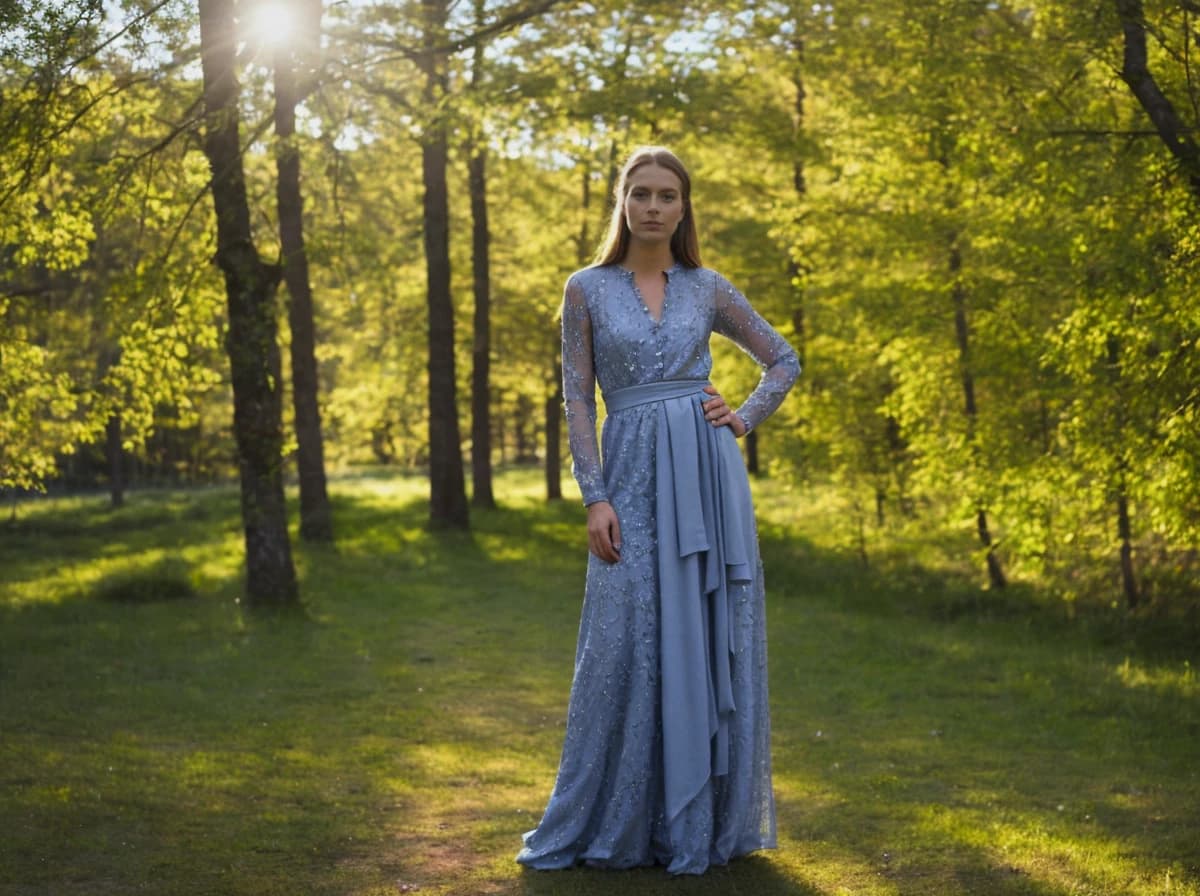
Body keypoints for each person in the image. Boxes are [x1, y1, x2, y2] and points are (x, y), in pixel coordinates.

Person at [516, 146, 800, 875]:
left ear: (683, 207)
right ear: (622, 202)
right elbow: (578, 396)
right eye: (638, 193)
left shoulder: (707, 288)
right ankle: (615, 820)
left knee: (704, 636)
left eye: (665, 195)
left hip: (705, 477)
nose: (651, 205)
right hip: (628, 477)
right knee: (620, 640)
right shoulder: (586, 288)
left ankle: (696, 827)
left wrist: (741, 417)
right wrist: (595, 496)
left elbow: (783, 358)